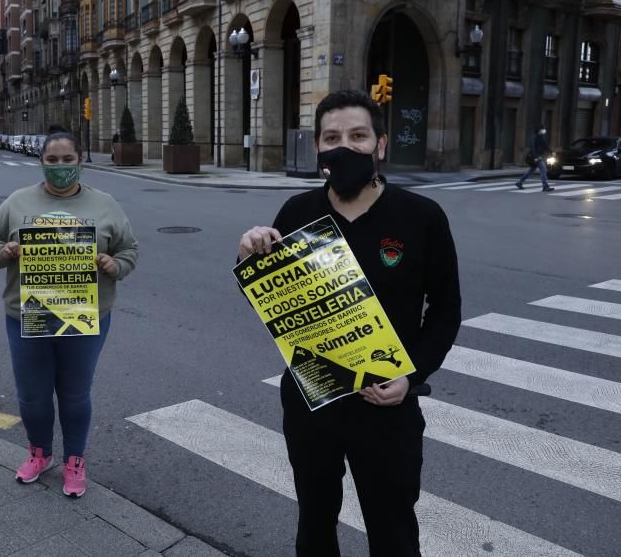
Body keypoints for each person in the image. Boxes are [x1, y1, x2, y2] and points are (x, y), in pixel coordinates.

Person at [237, 90, 461, 556]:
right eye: (332, 137)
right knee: (315, 523)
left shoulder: (421, 217)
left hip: (387, 406)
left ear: (380, 144)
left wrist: (411, 374)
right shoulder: (298, 213)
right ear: (318, 147)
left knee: (394, 529)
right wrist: (248, 256)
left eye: (358, 136)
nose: (345, 146)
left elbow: (445, 311)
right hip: (312, 401)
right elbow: (272, 300)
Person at [0, 125, 138, 498]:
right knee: (32, 395)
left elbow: (129, 249)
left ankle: (75, 460)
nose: (60, 166)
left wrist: (115, 266)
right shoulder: (17, 202)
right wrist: (2, 252)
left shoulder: (106, 204)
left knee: (74, 393)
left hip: (85, 315)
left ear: (80, 161)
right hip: (27, 314)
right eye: (52, 160)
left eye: (68, 159)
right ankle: (39, 453)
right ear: (41, 162)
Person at [516, 124, 554, 192]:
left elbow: (545, 145)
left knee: (531, 171)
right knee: (543, 170)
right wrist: (536, 157)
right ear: (539, 130)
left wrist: (551, 152)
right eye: (543, 129)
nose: (544, 130)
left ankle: (519, 182)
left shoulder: (541, 136)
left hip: (538, 156)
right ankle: (545, 186)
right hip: (537, 156)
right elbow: (533, 148)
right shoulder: (534, 137)